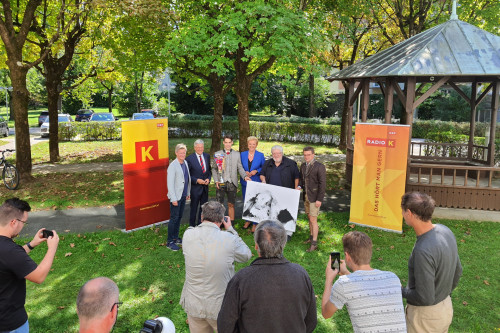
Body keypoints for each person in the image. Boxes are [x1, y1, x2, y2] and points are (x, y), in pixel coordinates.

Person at [217, 220, 317, 333]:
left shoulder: (241, 279)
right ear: (283, 244)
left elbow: (225, 326)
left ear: (256, 246)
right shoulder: (301, 274)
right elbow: (311, 321)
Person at [180, 201, 252, 333]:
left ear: (202, 217)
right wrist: (230, 229)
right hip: (221, 307)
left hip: (194, 304)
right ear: (221, 219)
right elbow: (246, 255)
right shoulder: (229, 239)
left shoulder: (187, 235)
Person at [401, 192, 462, 333]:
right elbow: (458, 270)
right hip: (445, 308)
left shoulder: (422, 251)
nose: (402, 214)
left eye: (403, 211)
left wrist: (400, 291)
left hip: (425, 318)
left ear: (409, 213)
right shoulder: (445, 230)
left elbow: (425, 298)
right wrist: (444, 293)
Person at [321, 231, 407, 332]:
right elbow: (366, 287)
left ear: (347, 256)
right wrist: (346, 273)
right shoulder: (393, 278)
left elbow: (326, 313)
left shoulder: (344, 284)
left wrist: (329, 280)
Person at [0, 198, 59, 333]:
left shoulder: (7, 250)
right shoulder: (10, 250)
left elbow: (9, 260)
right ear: (14, 222)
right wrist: (52, 248)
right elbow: (39, 276)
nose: (23, 226)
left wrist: (31, 244)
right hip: (10, 323)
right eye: (24, 223)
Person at [259, 145, 300, 239]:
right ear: (272, 154)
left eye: (278, 153)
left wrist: (295, 191)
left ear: (282, 153)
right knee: (273, 212)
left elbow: (296, 177)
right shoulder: (268, 163)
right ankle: (273, 231)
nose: (276, 155)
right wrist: (263, 180)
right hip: (271, 193)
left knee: (286, 212)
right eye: (274, 153)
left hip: (286, 192)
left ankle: (288, 233)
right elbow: (262, 174)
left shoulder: (290, 163)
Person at [212, 135, 248, 224]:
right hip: (221, 182)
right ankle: (219, 223)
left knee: (231, 204)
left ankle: (230, 224)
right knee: (219, 205)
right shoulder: (218, 154)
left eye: (229, 142)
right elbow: (214, 168)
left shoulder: (237, 154)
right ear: (223, 143)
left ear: (232, 142)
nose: (228, 144)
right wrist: (216, 180)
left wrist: (244, 176)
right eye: (226, 142)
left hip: (232, 183)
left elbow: (240, 167)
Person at [298, 146, 326, 252]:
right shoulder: (303, 166)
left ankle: (314, 243)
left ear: (313, 155)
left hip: (315, 198)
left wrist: (320, 199)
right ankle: (311, 237)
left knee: (313, 220)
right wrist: (299, 186)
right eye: (305, 155)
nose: (306, 157)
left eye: (308, 155)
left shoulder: (320, 166)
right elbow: (301, 180)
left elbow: (322, 184)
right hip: (306, 196)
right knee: (309, 217)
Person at [167, 143, 191, 251]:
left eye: (184, 152)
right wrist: (173, 199)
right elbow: (170, 184)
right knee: (174, 218)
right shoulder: (173, 166)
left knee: (179, 218)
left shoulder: (185, 162)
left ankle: (176, 237)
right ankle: (170, 241)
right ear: (176, 153)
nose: (182, 154)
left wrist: (188, 192)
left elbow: (187, 179)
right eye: (180, 152)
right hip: (176, 197)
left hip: (183, 195)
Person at [240, 136, 265, 232]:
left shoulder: (260, 155)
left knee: (255, 202)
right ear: (247, 144)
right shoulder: (242, 154)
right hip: (245, 182)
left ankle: (255, 223)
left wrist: (256, 171)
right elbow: (240, 166)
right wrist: (244, 172)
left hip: (256, 182)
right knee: (246, 202)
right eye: (250, 144)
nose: (251, 146)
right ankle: (248, 220)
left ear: (256, 145)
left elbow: (263, 167)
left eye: (253, 144)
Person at [186, 139, 212, 227]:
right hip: (195, 188)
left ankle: (201, 225)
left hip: (205, 188)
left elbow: (209, 171)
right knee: (193, 208)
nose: (200, 149)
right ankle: (192, 226)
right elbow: (188, 175)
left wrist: (208, 179)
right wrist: (197, 180)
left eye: (201, 147)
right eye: (198, 147)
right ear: (194, 148)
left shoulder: (207, 156)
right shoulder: (189, 159)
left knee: (204, 208)